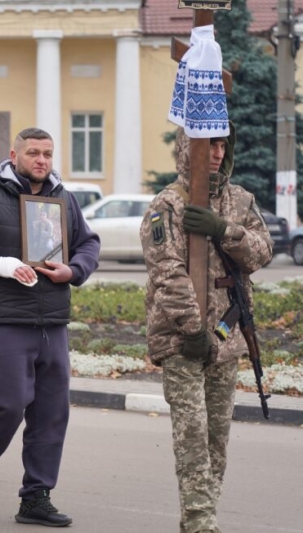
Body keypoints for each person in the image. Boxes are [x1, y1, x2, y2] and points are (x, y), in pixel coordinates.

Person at [0, 128, 100, 526]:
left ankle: (36, 496)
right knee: (8, 403)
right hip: (6, 320)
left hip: (53, 322)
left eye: (47, 153)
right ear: (15, 155)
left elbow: (89, 244)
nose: (41, 160)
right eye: (33, 153)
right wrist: (0, 264)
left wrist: (75, 269)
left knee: (51, 412)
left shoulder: (63, 200)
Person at [139, 124, 272, 533]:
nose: (216, 152)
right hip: (182, 339)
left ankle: (199, 516)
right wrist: (193, 329)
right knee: (192, 435)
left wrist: (223, 230)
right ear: (187, 149)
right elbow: (168, 273)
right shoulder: (167, 206)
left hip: (226, 339)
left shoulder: (239, 200)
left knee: (217, 439)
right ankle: (200, 522)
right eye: (207, 144)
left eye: (221, 144)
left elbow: (262, 251)